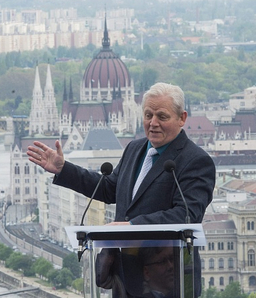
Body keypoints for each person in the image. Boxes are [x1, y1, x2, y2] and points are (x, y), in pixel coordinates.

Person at [27, 82, 216, 297]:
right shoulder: (135, 148)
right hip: (124, 279)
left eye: (162, 117)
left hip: (167, 281)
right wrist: (63, 169)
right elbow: (108, 189)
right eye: (148, 115)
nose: (153, 123)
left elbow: (187, 214)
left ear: (182, 118)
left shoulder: (196, 160)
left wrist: (132, 226)